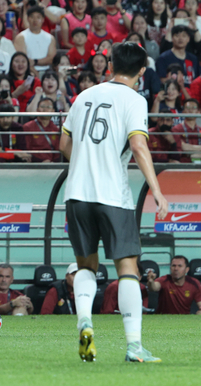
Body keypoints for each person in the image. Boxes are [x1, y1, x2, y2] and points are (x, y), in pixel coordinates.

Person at [59, 42, 169, 363]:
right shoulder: (135, 99)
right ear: (142, 72)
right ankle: (134, 346)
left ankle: (85, 323)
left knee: (86, 266)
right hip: (112, 196)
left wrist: (85, 161)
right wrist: (157, 189)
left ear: (109, 64)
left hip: (76, 194)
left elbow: (64, 143)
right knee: (128, 269)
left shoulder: (84, 96)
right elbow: (138, 145)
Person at [14, 6, 57, 74]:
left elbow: (51, 59)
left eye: (38, 17)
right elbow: (22, 60)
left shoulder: (50, 38)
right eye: (32, 17)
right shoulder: (21, 37)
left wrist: (35, 61)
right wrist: (34, 72)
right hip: (28, 71)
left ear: (43, 19)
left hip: (47, 71)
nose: (35, 20)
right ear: (27, 19)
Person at [24, 97, 61, 163]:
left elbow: (57, 152)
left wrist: (53, 163)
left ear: (53, 111)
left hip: (52, 165)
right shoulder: (28, 127)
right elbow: (26, 151)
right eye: (42, 106)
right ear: (37, 110)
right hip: (33, 164)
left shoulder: (56, 129)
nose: (45, 109)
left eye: (48, 107)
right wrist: (41, 161)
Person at [171, 98, 201, 162]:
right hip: (184, 164)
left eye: (194, 107)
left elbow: (187, 147)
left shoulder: (200, 129)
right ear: (183, 112)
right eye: (187, 108)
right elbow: (183, 147)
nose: (190, 110)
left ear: (198, 112)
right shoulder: (176, 129)